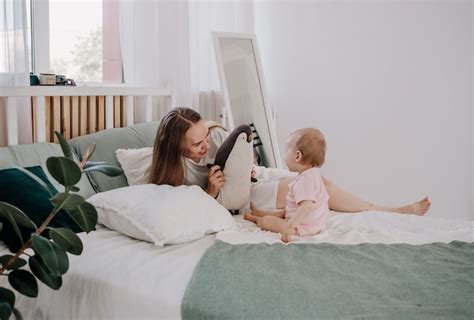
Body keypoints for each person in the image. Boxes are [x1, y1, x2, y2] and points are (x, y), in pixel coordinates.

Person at [149, 107, 431, 216]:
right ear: (176, 146)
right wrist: (210, 193)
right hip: (245, 200)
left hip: (254, 183)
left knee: (320, 184)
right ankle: (389, 211)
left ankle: (381, 209)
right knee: (319, 186)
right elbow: (187, 212)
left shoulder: (208, 144)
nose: (205, 146)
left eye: (205, 138)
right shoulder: (176, 175)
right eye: (197, 144)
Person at [244, 127, 329, 243]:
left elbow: (307, 206)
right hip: (310, 223)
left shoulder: (305, 180)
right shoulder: (312, 175)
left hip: (303, 227)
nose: (285, 154)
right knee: (283, 212)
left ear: (297, 156)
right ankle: (259, 213)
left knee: (268, 222)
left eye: (287, 151)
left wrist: (290, 227)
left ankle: (256, 219)